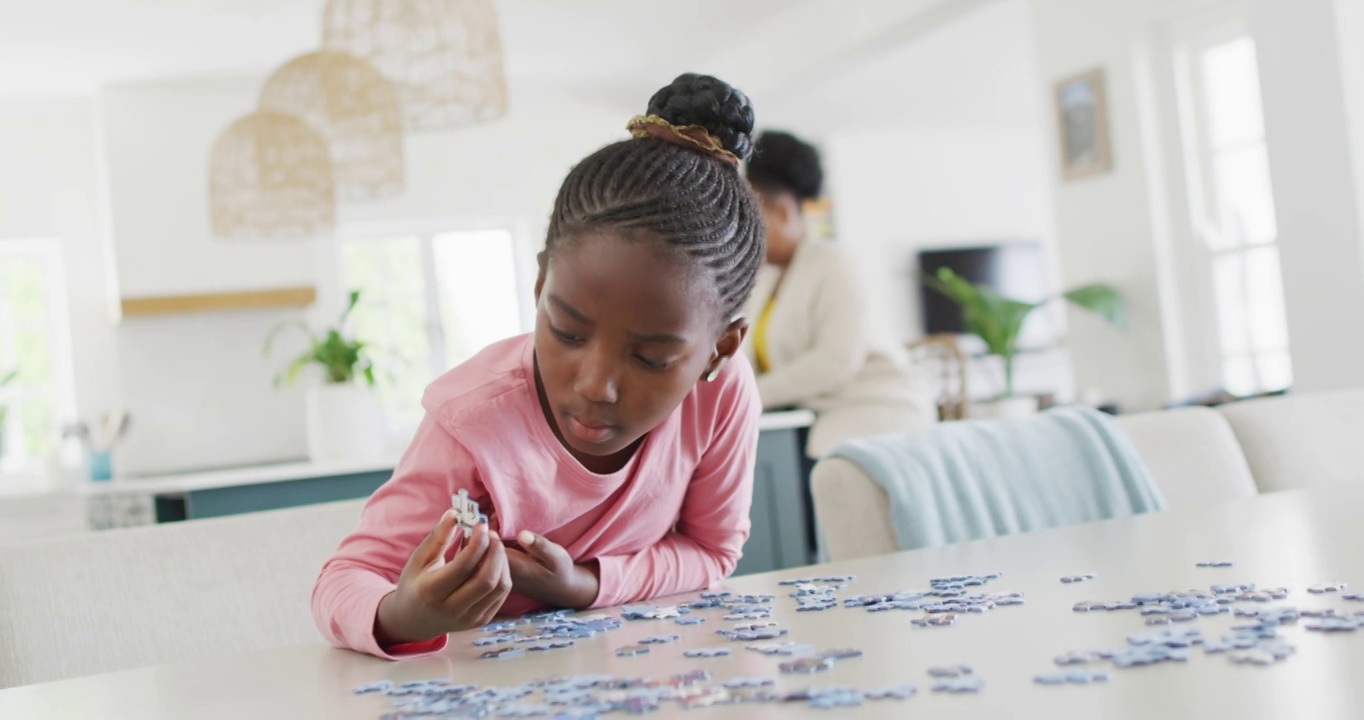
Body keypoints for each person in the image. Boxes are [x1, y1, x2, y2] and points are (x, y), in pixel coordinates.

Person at [312, 73, 766, 659]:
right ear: (539, 285)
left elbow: (712, 552)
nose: (594, 384)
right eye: (568, 331)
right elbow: (343, 579)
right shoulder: (474, 424)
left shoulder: (722, 395)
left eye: (651, 357)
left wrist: (584, 585)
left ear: (719, 351)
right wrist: (404, 612)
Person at [744, 130, 936, 460]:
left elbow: (835, 361)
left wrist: (750, 395)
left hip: (876, 418)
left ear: (785, 210)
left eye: (751, 214)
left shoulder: (833, 262)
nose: (743, 228)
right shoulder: (766, 280)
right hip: (815, 423)